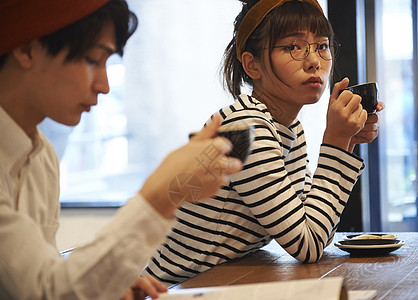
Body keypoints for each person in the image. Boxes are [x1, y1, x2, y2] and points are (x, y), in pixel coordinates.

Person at [0, 0, 243, 299]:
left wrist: (103, 283)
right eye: (92, 59)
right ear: (26, 49)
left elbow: (43, 277)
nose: (104, 85)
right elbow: (47, 292)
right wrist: (163, 194)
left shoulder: (41, 155)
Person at [144, 0, 384, 285]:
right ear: (252, 64)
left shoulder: (288, 127)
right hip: (174, 289)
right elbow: (308, 245)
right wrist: (335, 142)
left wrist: (346, 144)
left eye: (322, 45)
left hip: (221, 283)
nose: (314, 61)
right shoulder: (247, 127)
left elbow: (316, 226)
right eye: (293, 47)